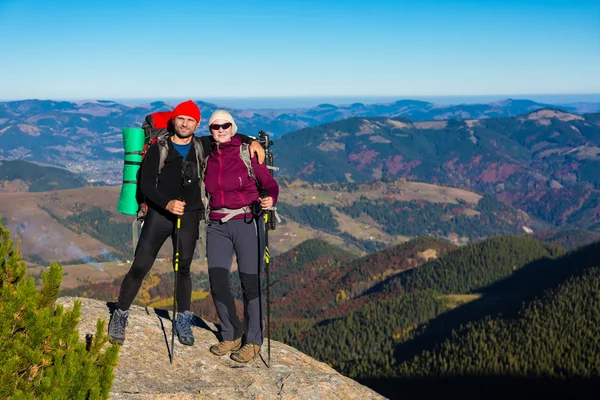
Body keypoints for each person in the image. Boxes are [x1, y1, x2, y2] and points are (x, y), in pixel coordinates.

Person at [108, 100, 265, 346]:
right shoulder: (158, 148)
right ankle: (120, 313)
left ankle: (182, 318)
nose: (184, 123)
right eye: (181, 118)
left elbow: (228, 135)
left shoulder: (202, 144)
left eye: (190, 120)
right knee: (140, 265)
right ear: (174, 120)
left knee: (183, 269)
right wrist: (166, 203)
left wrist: (252, 141)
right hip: (159, 216)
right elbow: (146, 185)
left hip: (190, 215)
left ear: (197, 124)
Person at [204, 109, 279, 363]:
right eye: (216, 126)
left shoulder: (247, 152)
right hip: (216, 224)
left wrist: (271, 198)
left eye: (226, 125)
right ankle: (231, 333)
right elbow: (179, 134)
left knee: (250, 282)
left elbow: (269, 183)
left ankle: (253, 341)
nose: (221, 129)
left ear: (233, 127)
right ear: (210, 130)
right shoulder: (207, 154)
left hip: (247, 221)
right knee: (217, 281)